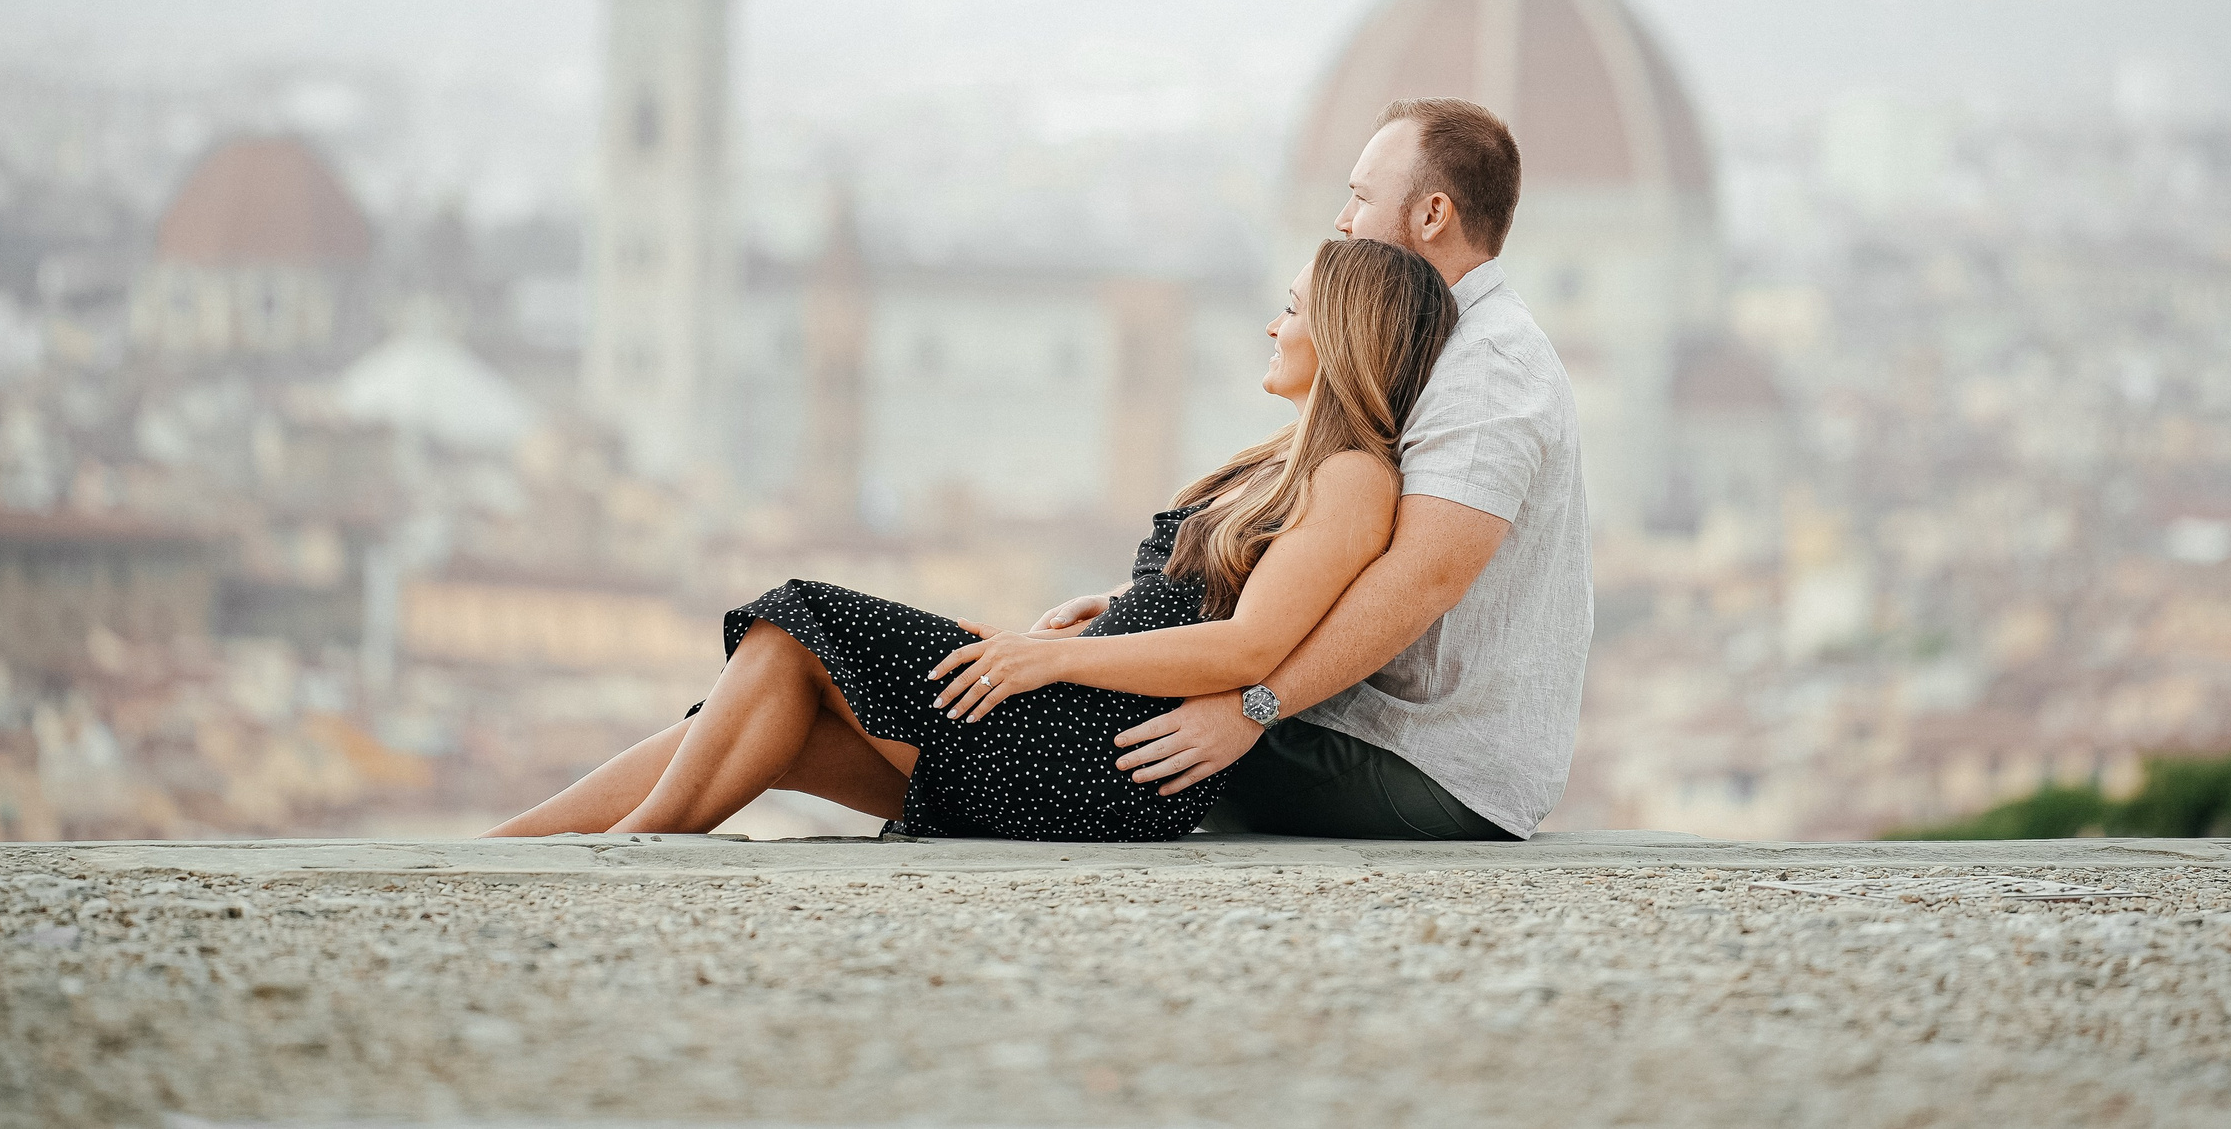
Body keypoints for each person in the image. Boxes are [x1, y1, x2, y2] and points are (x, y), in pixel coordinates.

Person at [483, 234, 1456, 844]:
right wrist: (1103, 624)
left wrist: (1045, 660)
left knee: (795, 624)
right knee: (779, 711)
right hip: (1087, 725)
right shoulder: (1288, 461)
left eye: (1292, 308)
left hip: (1103, 758)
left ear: (1339, 330)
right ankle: (513, 847)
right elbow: (1214, 601)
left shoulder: (1353, 475)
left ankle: (628, 852)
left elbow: (1250, 647)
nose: (1273, 324)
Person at [1043, 96, 1588, 842]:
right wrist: (1124, 607)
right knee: (1086, 683)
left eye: (1361, 197)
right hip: (1370, 732)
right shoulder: (1441, 341)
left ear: (1432, 215)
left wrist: (1250, 706)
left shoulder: (1486, 367)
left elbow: (1418, 580)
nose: (1342, 219)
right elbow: (1309, 549)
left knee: (1081, 708)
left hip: (1425, 765)